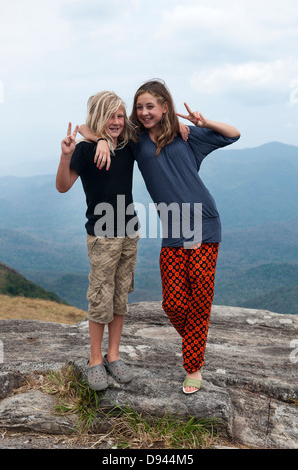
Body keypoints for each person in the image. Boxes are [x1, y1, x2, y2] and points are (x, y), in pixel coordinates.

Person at [80, 79, 241, 394]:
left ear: (165, 106)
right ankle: (195, 341)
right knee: (174, 304)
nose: (143, 112)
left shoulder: (188, 137)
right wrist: (99, 139)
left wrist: (202, 122)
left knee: (199, 300)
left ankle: (194, 367)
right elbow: (92, 126)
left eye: (150, 106)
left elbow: (233, 134)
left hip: (201, 222)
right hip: (172, 229)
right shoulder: (136, 139)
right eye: (139, 107)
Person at [56, 91, 140, 391]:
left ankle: (113, 355)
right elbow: (63, 186)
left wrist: (104, 137)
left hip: (130, 230)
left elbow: (150, 126)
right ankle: (94, 359)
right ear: (98, 117)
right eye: (110, 116)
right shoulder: (84, 150)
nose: (116, 122)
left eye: (120, 115)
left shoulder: (128, 142)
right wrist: (67, 155)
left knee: (120, 296)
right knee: (100, 297)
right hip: (102, 234)